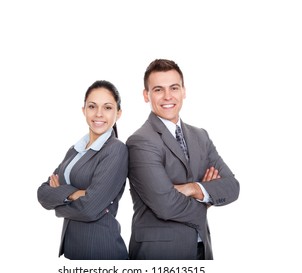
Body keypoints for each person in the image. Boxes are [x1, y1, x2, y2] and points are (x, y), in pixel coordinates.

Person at [126, 59, 240, 260]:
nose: (168, 96)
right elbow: (165, 205)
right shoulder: (140, 141)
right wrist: (206, 198)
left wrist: (193, 189)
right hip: (159, 255)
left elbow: (232, 186)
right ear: (146, 95)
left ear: (184, 91)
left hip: (201, 251)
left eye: (174, 88)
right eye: (159, 89)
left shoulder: (200, 136)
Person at [37, 80, 128, 260]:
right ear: (84, 110)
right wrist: (74, 194)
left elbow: (89, 209)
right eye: (92, 106)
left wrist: (59, 200)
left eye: (107, 107)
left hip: (101, 251)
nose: (99, 114)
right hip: (72, 251)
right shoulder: (75, 150)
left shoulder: (116, 150)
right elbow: (42, 193)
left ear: (118, 113)